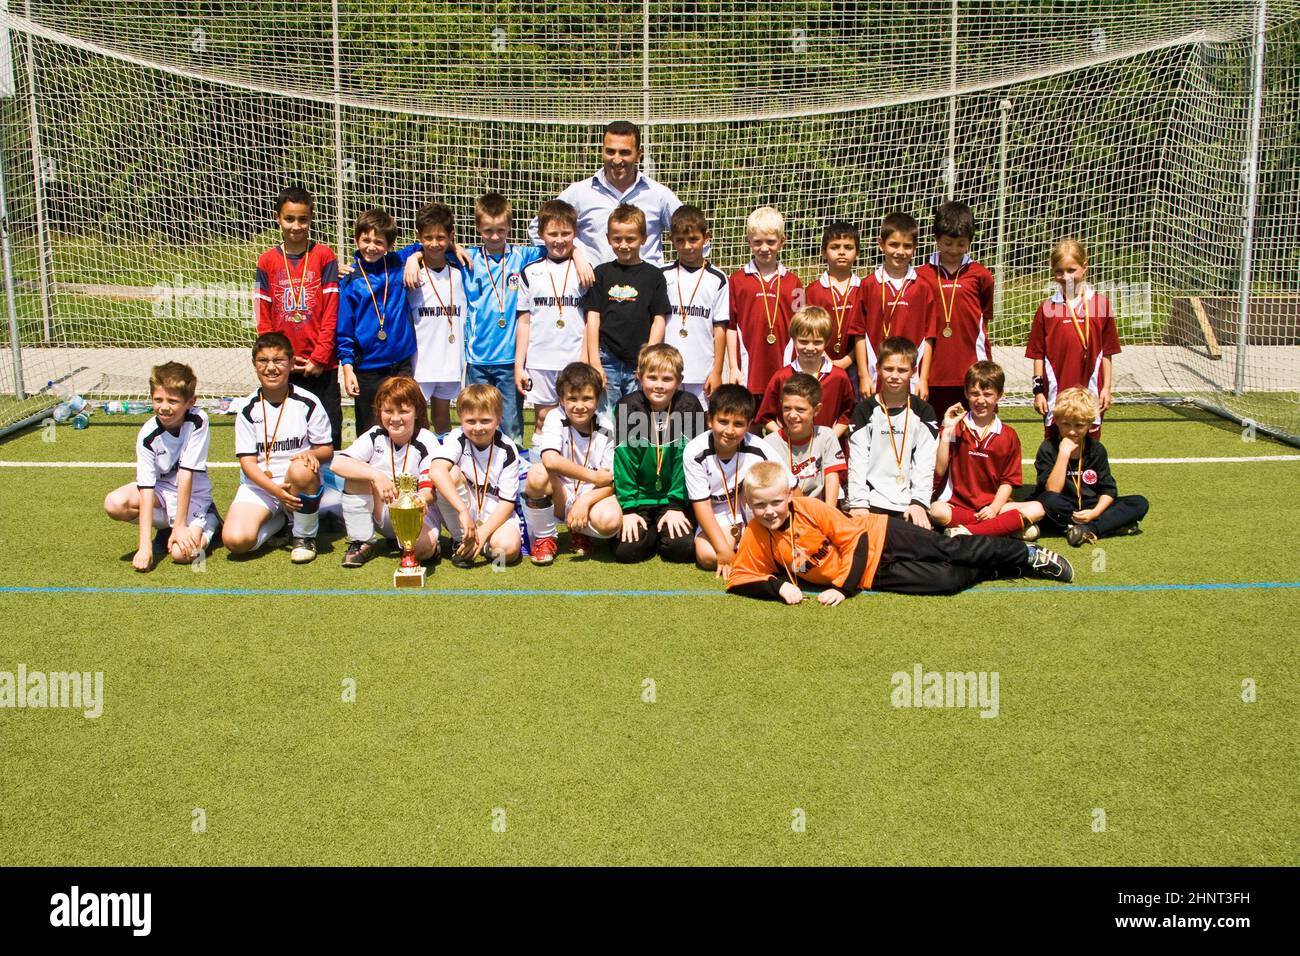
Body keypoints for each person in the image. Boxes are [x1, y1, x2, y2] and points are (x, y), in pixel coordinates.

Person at [725, 461, 1074, 604]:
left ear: (788, 496)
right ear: (750, 505)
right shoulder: (757, 532)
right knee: (946, 583)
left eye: (775, 502)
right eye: (760, 506)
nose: (769, 511)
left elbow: (856, 539)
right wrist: (778, 586)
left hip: (880, 535)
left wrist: (843, 589)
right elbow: (739, 578)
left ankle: (1026, 555)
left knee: (951, 550)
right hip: (873, 574)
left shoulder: (810, 508)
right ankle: (1002, 567)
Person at [403, 192, 593, 445]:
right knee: (476, 422)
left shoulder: (523, 256)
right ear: (477, 229)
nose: (494, 237)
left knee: (511, 427)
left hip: (511, 360)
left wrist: (579, 256)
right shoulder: (465, 258)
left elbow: (559, 245)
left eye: (501, 230)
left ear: (510, 228)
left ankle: (514, 476)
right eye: (488, 231)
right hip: (477, 359)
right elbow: (431, 249)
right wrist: (412, 259)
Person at [329, 375, 466, 568]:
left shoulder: (426, 439)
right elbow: (337, 463)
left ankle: (429, 547)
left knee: (421, 551)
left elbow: (429, 492)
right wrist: (376, 476)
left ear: (417, 411)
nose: (394, 418)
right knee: (356, 474)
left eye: (403, 411)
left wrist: (416, 500)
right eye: (388, 411)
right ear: (380, 411)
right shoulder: (375, 435)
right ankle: (362, 541)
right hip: (383, 514)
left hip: (417, 517)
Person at [223, 333, 334, 563]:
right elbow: (247, 464)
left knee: (302, 468)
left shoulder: (308, 402)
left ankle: (304, 536)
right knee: (235, 542)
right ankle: (280, 522)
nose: (271, 368)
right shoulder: (246, 408)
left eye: (278, 361)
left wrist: (310, 454)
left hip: (297, 483)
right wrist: (276, 492)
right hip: (261, 486)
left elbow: (326, 449)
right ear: (254, 365)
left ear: (292, 364)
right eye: (263, 361)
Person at [104, 361, 220, 571]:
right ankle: (166, 529)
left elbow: (186, 475)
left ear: (190, 402)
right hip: (161, 493)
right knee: (114, 503)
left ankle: (211, 523)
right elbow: (146, 489)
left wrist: (180, 525)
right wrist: (145, 547)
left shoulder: (198, 421)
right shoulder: (147, 435)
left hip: (193, 495)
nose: (164, 407)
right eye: (158, 399)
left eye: (173, 401)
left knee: (182, 554)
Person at [255, 186, 342, 448]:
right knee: (286, 433)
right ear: (277, 218)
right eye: (289, 219)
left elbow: (331, 312)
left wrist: (320, 356)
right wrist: (279, 358)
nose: (296, 226)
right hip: (284, 366)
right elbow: (264, 317)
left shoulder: (324, 256)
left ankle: (329, 488)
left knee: (328, 435)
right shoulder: (267, 261)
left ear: (311, 219)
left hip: (321, 366)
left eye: (303, 219)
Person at [531, 120, 684, 266]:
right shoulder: (579, 193)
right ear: (602, 151)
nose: (617, 160)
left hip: (646, 290)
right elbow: (537, 229)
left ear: (639, 154)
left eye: (624, 152)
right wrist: (573, 255)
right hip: (594, 289)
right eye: (610, 151)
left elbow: (691, 231)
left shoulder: (659, 195)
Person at [683, 384, 792, 575]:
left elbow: (791, 487)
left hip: (755, 512)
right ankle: (754, 553)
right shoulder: (694, 451)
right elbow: (702, 506)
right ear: (710, 420)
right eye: (723, 421)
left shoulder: (760, 447)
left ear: (749, 424)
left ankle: (755, 549)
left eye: (739, 424)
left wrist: (797, 530)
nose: (730, 430)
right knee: (708, 556)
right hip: (717, 513)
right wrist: (723, 551)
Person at [611, 344, 703, 563]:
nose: (659, 386)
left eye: (667, 379)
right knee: (627, 551)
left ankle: (662, 528)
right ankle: (650, 531)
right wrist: (629, 509)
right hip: (639, 498)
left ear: (679, 381)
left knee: (681, 550)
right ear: (639, 377)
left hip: (673, 498)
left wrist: (675, 506)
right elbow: (624, 462)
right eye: (652, 378)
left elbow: (689, 461)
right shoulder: (628, 406)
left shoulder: (689, 405)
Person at [930, 361, 1044, 539]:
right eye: (975, 394)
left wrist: (993, 508)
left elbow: (1008, 481)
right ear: (966, 393)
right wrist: (946, 431)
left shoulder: (1009, 435)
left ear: (1000, 395)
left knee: (1037, 508)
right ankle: (1003, 528)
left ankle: (968, 532)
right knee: (936, 511)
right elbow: (939, 469)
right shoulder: (956, 426)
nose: (981, 400)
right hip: (958, 505)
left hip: (994, 506)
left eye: (988, 394)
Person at [523, 362, 622, 564]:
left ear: (598, 398)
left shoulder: (606, 426)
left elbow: (610, 480)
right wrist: (593, 476)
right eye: (572, 399)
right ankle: (545, 538)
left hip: (590, 494)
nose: (579, 405)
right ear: (561, 400)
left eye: (587, 398)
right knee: (537, 473)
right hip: (561, 493)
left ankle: (580, 530)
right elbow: (550, 460)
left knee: (611, 521)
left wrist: (584, 501)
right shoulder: (554, 417)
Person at [1026, 239, 1122, 438]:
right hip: (1056, 393)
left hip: (1091, 391)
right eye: (1059, 271)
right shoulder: (1047, 308)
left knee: (1089, 448)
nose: (1065, 276)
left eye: (1071, 270)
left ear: (1084, 267)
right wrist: (1038, 392)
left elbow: (1108, 352)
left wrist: (1106, 388)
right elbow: (1037, 355)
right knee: (1053, 447)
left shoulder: (1101, 305)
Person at [337, 208, 418, 434]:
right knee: (370, 430)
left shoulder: (396, 263)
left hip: (400, 363)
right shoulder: (349, 279)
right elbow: (344, 330)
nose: (371, 247)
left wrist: (415, 258)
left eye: (379, 242)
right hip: (367, 367)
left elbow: (429, 244)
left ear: (390, 245)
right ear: (356, 240)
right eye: (366, 240)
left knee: (404, 423)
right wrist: (347, 367)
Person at [1033, 387, 1148, 546]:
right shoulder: (1048, 447)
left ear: (1089, 425)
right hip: (1060, 507)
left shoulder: (1096, 449)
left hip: (1090, 507)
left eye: (1079, 425)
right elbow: (1052, 490)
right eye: (1066, 424)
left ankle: (1087, 528)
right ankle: (1105, 526)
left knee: (1139, 503)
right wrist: (1063, 454)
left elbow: (1108, 490)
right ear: (1057, 421)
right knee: (1047, 500)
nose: (1072, 432)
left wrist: (1095, 512)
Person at [585, 203, 670, 414]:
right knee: (606, 419)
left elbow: (659, 319)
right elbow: (593, 318)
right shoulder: (602, 273)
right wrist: (594, 361)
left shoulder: (654, 275)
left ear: (643, 238)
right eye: (617, 239)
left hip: (639, 362)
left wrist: (648, 358)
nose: (623, 245)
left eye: (630, 239)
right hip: (607, 359)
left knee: (636, 417)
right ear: (608, 239)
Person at [428, 384, 524, 568]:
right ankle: (460, 538)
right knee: (451, 473)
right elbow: (436, 471)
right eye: (471, 421)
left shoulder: (508, 449)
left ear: (498, 419)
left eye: (485, 420)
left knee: (507, 551)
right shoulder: (457, 438)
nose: (478, 427)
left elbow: (506, 503)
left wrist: (483, 533)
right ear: (460, 419)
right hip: (463, 513)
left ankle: (477, 543)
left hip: (494, 516)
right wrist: (463, 512)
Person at [845, 336, 939, 524]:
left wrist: (919, 502)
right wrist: (859, 502)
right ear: (878, 369)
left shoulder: (924, 411)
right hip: (870, 502)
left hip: (909, 503)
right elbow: (858, 461)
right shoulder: (864, 410)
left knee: (920, 550)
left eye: (902, 370)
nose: (894, 376)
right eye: (888, 369)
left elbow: (925, 463)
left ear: (913, 372)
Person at [516, 199, 590, 433]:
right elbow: (524, 321)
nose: (559, 240)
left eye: (566, 233)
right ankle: (541, 469)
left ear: (575, 233)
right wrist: (520, 365)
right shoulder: (530, 272)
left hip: (574, 357)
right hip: (541, 360)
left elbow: (591, 319)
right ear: (541, 234)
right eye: (553, 233)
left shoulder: (585, 271)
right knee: (544, 421)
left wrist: (585, 358)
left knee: (578, 421)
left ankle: (575, 469)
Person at [918, 201, 994, 415]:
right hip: (931, 372)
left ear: (970, 241)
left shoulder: (981, 275)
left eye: (961, 244)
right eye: (947, 243)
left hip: (971, 369)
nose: (953, 250)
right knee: (931, 435)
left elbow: (984, 318)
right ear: (936, 239)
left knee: (971, 433)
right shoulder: (921, 275)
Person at [728, 206, 804, 405]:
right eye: (757, 242)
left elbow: (802, 327)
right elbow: (730, 327)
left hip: (784, 364)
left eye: (770, 242)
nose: (764, 248)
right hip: (749, 367)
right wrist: (734, 368)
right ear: (748, 242)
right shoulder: (736, 281)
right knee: (750, 421)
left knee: (783, 419)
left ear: (782, 241)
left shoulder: (794, 283)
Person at [405, 202, 467, 435]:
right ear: (419, 237)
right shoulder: (412, 273)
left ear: (451, 237)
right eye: (428, 237)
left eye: (441, 237)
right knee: (417, 419)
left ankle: (443, 461)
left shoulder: (461, 272)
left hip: (450, 361)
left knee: (442, 418)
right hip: (420, 362)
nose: (434, 243)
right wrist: (414, 257)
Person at [860, 212, 935, 399]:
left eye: (907, 246)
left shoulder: (922, 287)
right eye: (894, 244)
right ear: (881, 244)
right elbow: (858, 333)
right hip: (875, 376)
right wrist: (863, 376)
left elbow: (929, 337)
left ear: (915, 247)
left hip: (911, 379)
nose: (900, 252)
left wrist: (923, 379)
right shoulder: (869, 284)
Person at [754, 306, 854, 440]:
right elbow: (765, 416)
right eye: (803, 342)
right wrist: (784, 437)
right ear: (794, 340)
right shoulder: (782, 376)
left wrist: (830, 438)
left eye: (817, 342)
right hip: (790, 450)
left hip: (827, 451)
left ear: (827, 342)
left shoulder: (839, 376)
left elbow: (848, 413)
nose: (810, 348)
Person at [661, 205, 728, 402]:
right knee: (667, 425)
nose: (687, 246)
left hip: (702, 371)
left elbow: (720, 328)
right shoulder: (662, 274)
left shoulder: (718, 278)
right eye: (680, 240)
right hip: (666, 369)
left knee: (698, 426)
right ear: (671, 239)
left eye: (693, 239)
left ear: (706, 237)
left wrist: (716, 372)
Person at [803, 221, 871, 395]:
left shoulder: (864, 289)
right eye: (835, 247)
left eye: (848, 247)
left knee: (853, 409)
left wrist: (847, 361)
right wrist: (826, 359)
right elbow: (807, 329)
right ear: (823, 252)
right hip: (818, 361)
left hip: (855, 364)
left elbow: (866, 331)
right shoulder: (812, 290)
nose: (841, 252)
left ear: (857, 253)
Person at [761, 373, 846, 505]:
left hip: (820, 509)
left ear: (816, 410)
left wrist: (830, 515)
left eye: (800, 410)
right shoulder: (769, 444)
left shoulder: (826, 436)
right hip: (787, 511)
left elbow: (832, 479)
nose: (792, 415)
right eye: (787, 408)